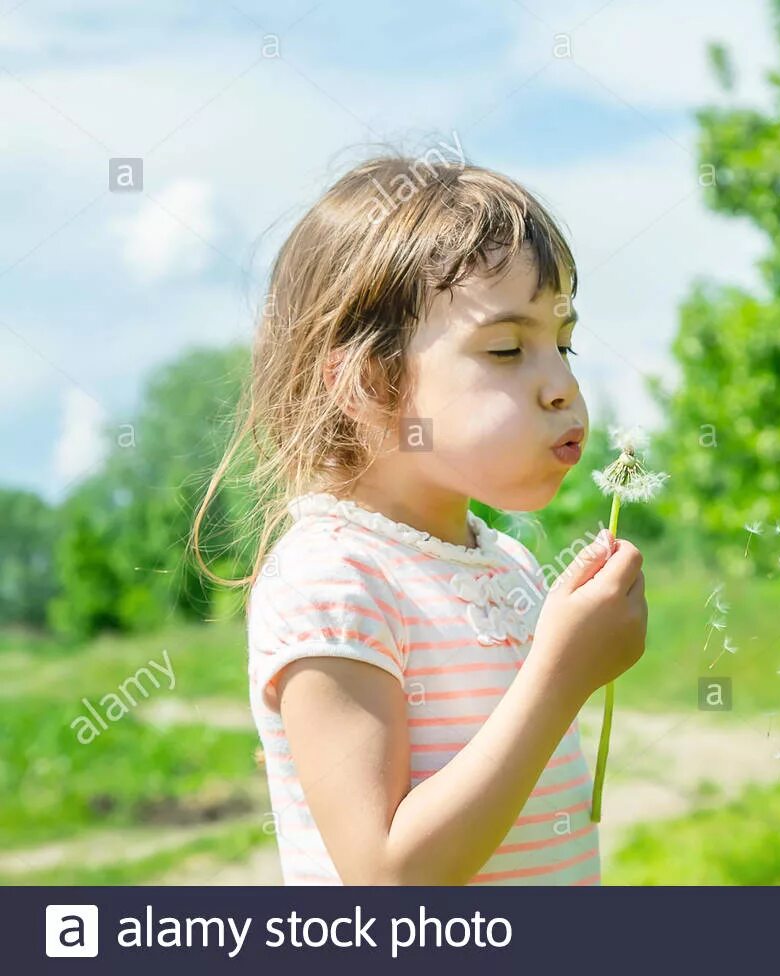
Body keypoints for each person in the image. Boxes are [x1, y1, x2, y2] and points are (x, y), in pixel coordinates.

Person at [192, 154, 648, 885]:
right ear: (372, 381)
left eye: (563, 343)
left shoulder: (509, 563)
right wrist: (562, 676)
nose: (563, 386)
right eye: (507, 348)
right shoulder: (331, 578)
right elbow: (387, 880)